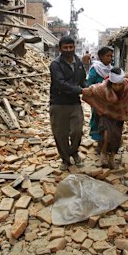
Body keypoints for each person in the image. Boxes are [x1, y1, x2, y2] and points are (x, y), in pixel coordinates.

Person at [49, 36, 87, 170]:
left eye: (71, 47)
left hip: (75, 103)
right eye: (65, 47)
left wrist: (90, 89)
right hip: (58, 103)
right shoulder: (55, 64)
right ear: (60, 49)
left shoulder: (79, 63)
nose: (68, 49)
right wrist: (81, 90)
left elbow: (83, 81)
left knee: (77, 131)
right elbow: (60, 84)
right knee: (61, 134)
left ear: (74, 47)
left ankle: (74, 152)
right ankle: (65, 159)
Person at [82, 67, 128, 169]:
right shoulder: (103, 87)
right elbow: (91, 90)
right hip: (106, 114)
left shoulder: (126, 86)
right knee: (107, 134)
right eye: (115, 85)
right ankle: (103, 155)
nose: (117, 87)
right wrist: (78, 90)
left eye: (119, 84)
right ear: (111, 83)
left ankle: (112, 158)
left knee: (116, 137)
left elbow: (125, 102)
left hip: (119, 115)